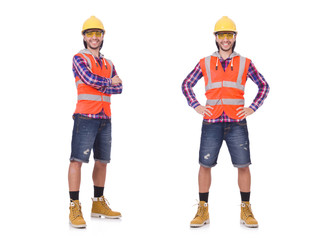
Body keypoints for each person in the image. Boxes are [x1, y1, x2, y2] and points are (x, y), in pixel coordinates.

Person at [182, 16, 269, 228]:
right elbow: (186, 84)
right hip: (211, 121)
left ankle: (246, 209)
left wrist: (251, 108)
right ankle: (203, 209)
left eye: (229, 35)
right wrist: (196, 105)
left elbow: (264, 86)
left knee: (243, 165)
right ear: (216, 37)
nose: (225, 39)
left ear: (234, 37)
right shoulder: (205, 62)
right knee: (205, 165)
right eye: (221, 35)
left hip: (236, 122)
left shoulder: (245, 62)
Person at [68, 16, 123, 228]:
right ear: (84, 36)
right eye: (90, 34)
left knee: (102, 161)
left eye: (97, 34)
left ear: (102, 36)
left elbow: (120, 88)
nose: (94, 37)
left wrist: (103, 84)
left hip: (104, 117)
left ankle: (98, 203)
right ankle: (74, 205)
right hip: (85, 116)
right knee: (77, 161)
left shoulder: (109, 63)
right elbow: (89, 79)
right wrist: (108, 82)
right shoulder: (79, 58)